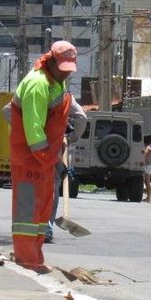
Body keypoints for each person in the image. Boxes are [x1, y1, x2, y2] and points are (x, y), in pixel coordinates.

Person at [8, 40, 79, 272]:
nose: (66, 74)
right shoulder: (38, 84)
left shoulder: (55, 83)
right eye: (63, 68)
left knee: (41, 214)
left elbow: (52, 121)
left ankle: (34, 258)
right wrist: (52, 159)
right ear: (52, 61)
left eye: (70, 70)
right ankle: (27, 261)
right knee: (28, 217)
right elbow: (34, 130)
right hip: (31, 159)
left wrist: (57, 151)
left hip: (44, 160)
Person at [45, 99, 87, 243]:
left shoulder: (33, 91)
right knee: (52, 192)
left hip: (34, 151)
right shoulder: (65, 98)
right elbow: (82, 118)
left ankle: (40, 227)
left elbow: (7, 111)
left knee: (37, 192)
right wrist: (72, 136)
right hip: (55, 151)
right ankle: (46, 227)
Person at [143, 134, 151, 202]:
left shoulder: (148, 147)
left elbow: (145, 154)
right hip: (149, 166)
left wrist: (143, 152)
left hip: (147, 166)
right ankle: (148, 197)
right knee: (146, 182)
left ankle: (148, 197)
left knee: (146, 182)